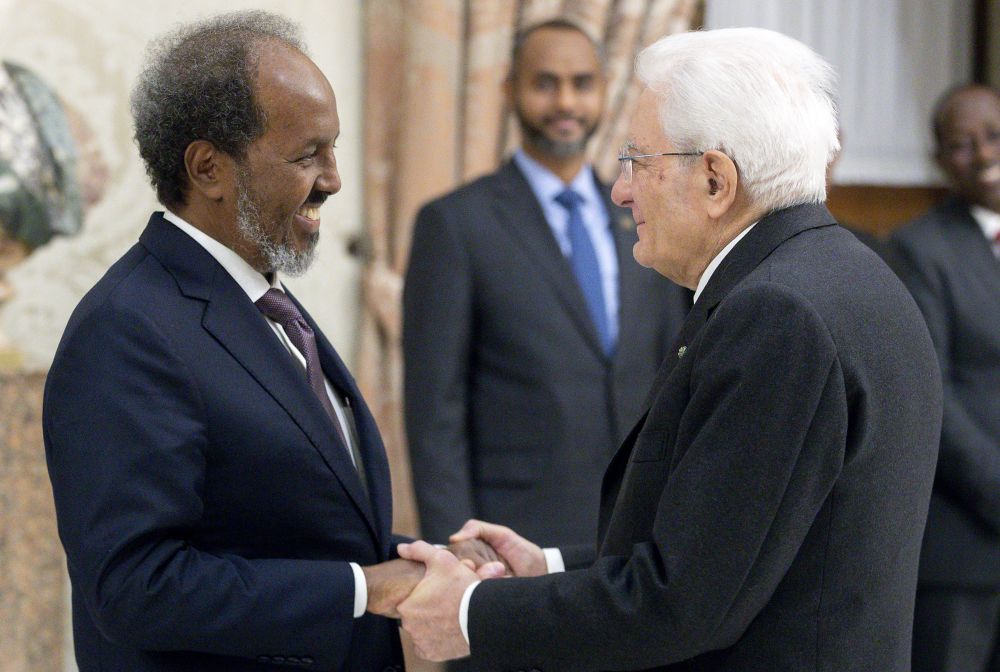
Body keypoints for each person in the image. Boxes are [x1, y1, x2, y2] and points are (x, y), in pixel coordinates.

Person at [389, 27, 943, 671]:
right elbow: (732, 541)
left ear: (715, 179)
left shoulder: (777, 315)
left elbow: (683, 602)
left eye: (637, 160)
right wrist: (550, 567)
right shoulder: (844, 272)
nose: (622, 191)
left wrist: (467, 617)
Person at [42, 12, 500, 671]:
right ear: (208, 169)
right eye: (307, 154)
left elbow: (291, 530)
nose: (334, 178)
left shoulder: (260, 304)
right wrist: (363, 588)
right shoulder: (126, 329)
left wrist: (424, 561)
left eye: (333, 148)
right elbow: (134, 588)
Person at [403, 19, 689, 551]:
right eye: (545, 83)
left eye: (582, 83)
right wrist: (460, 549)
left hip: (639, 530)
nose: (565, 102)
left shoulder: (644, 215)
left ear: (604, 90)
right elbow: (434, 415)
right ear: (510, 90)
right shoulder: (455, 224)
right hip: (515, 535)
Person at [891, 83, 1000, 672]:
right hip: (964, 551)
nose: (983, 155)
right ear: (938, 160)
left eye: (993, 136)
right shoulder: (919, 249)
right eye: (961, 146)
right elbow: (934, 392)